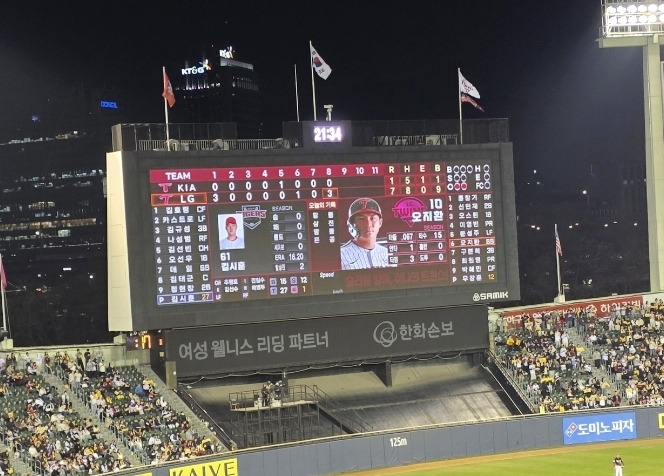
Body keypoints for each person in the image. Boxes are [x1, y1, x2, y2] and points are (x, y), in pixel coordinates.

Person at [340, 197, 391, 269]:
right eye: (361, 219)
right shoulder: (340, 255)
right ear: (352, 224)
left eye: (373, 218)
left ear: (380, 222)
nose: (368, 224)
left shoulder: (388, 254)